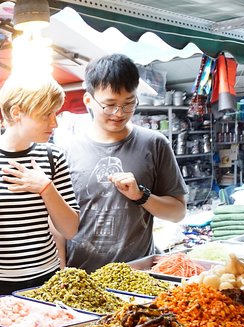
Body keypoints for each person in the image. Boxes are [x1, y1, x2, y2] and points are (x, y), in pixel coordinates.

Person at [0, 76, 80, 300]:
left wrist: (46, 188)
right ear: (16, 112)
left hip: (45, 281)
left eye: (56, 114)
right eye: (46, 114)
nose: (54, 123)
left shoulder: (53, 157)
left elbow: (70, 229)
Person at [62, 53, 187, 272]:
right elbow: (58, 224)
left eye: (129, 104)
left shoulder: (155, 144)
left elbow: (177, 213)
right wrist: (62, 272)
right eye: (109, 105)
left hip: (138, 275)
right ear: (88, 101)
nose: (119, 114)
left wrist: (141, 195)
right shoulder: (67, 151)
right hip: (82, 277)